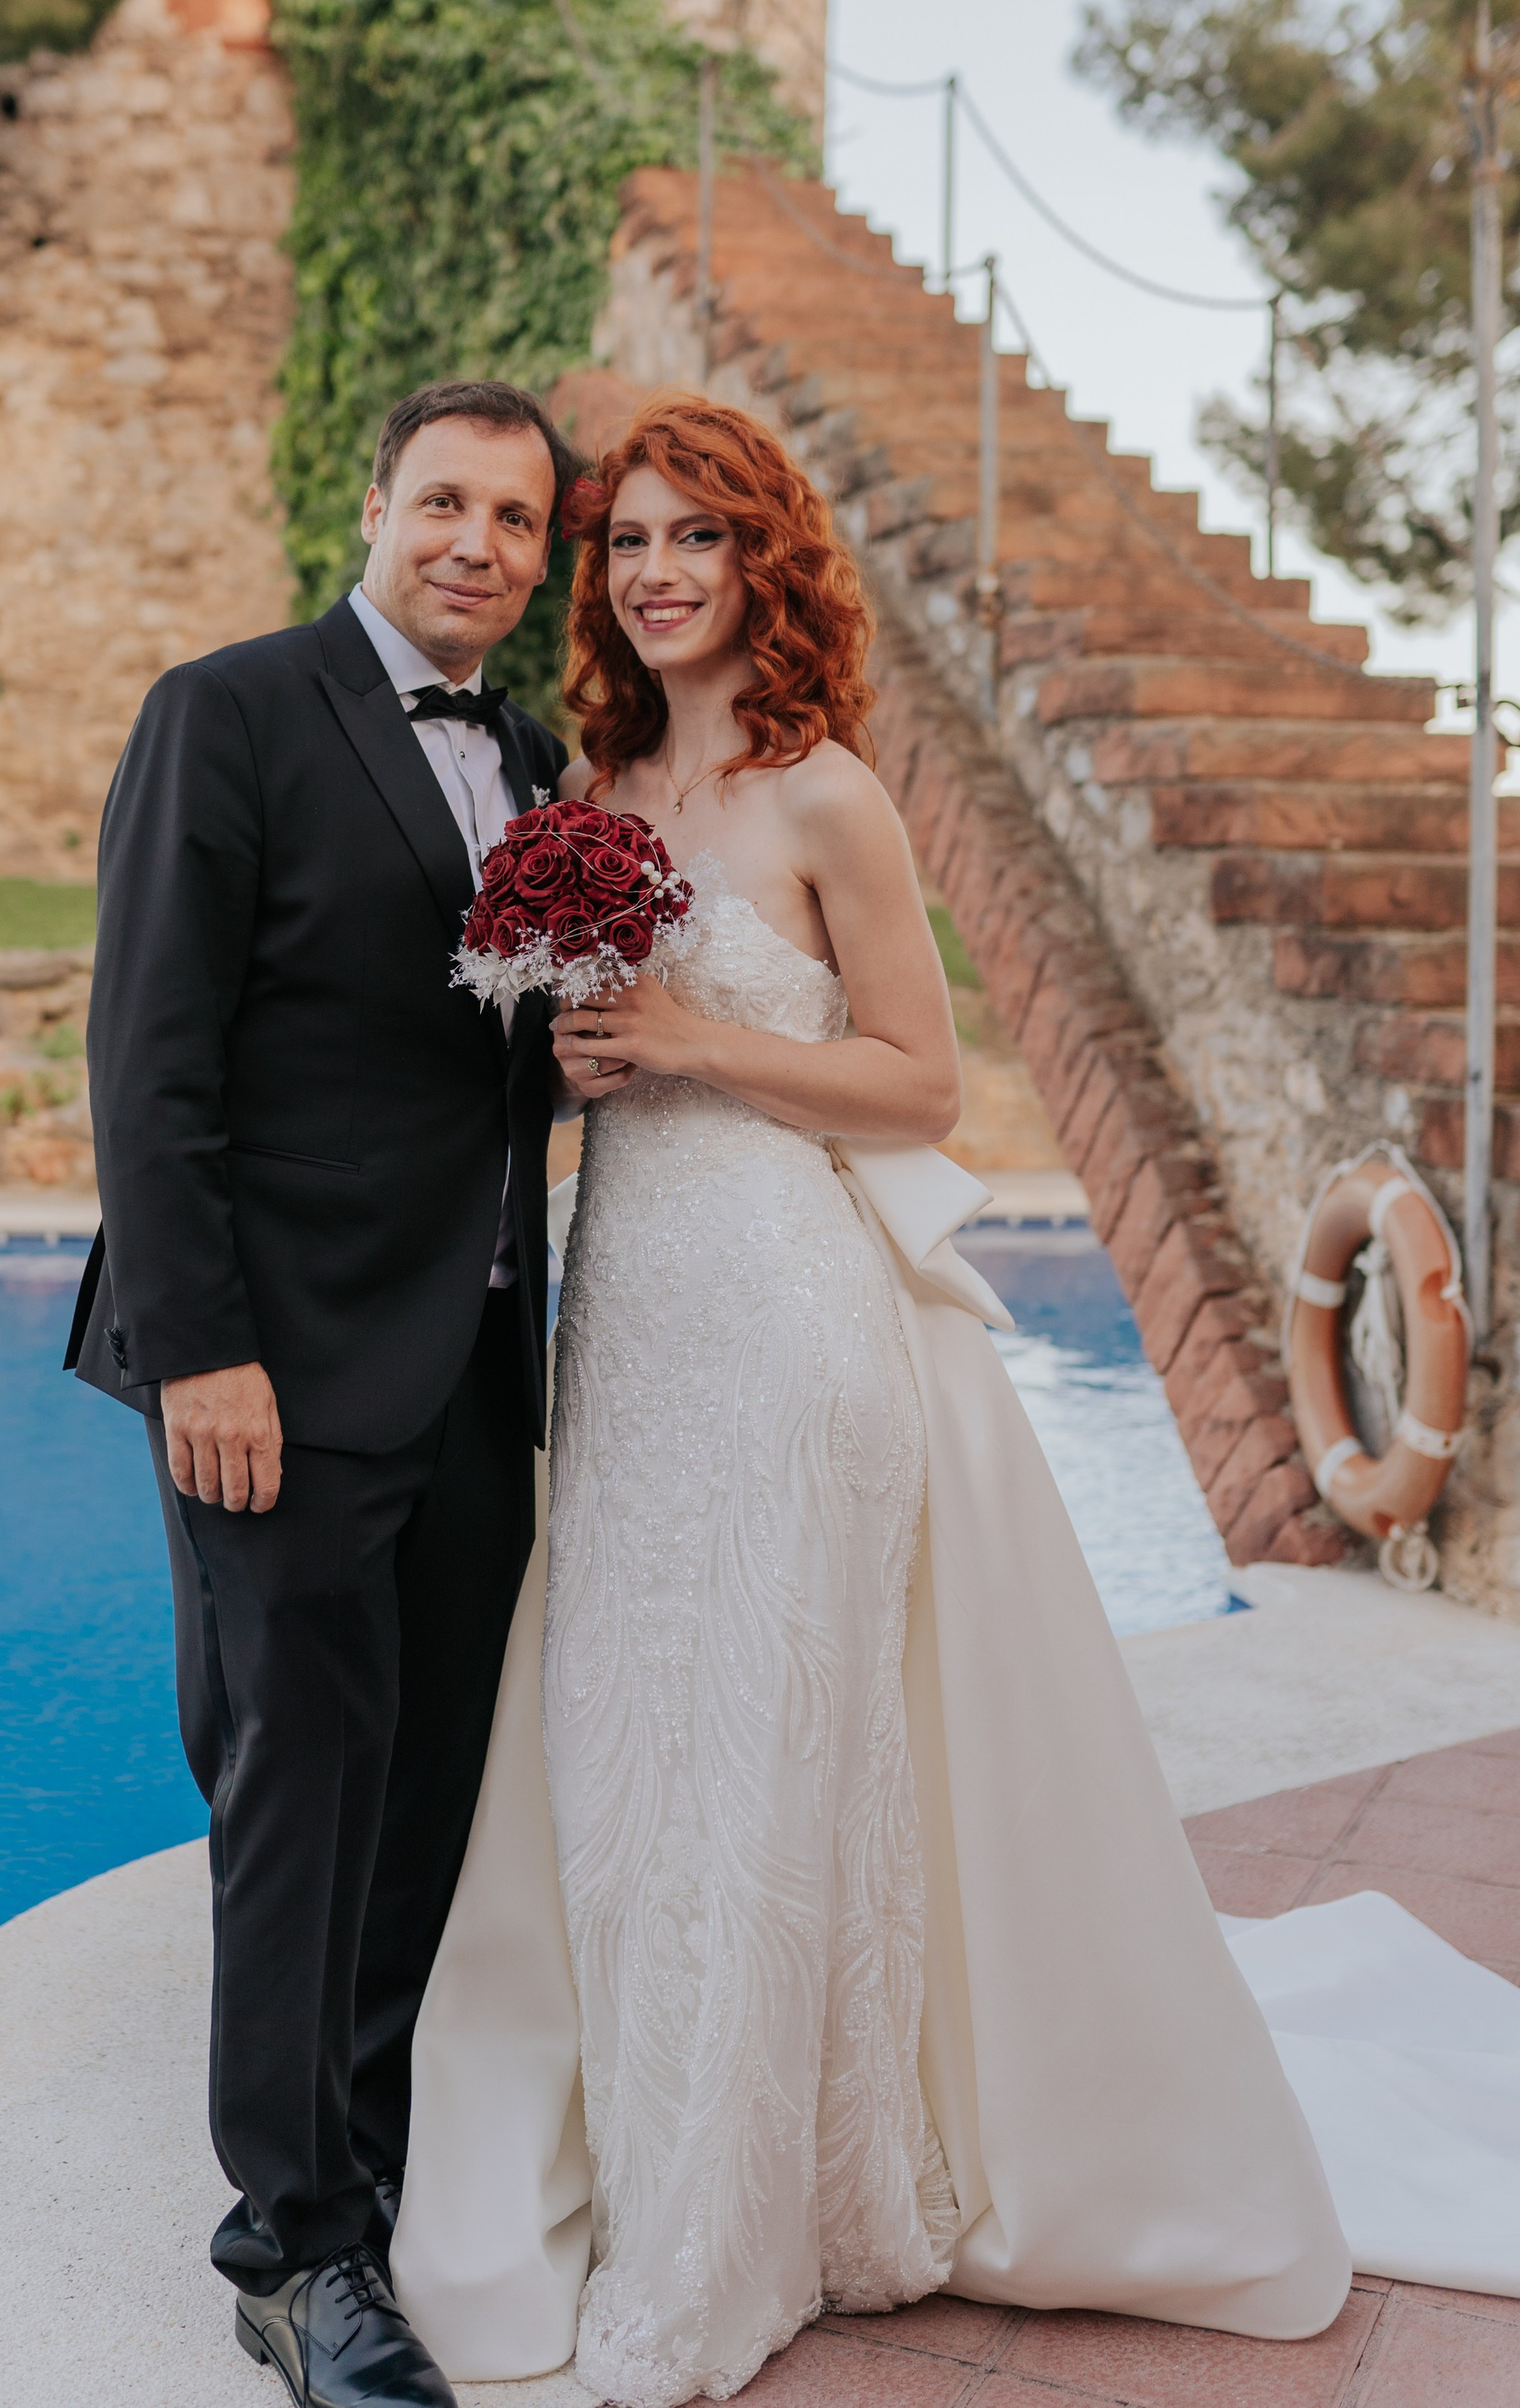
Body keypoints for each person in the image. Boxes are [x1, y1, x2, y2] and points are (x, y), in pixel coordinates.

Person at [382, 394, 1358, 2404]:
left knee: (758, 1767)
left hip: (791, 1325)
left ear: (765, 565)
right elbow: (612, 1059)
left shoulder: (829, 795)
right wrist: (589, 1071)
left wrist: (695, 1046)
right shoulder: (602, 781)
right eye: (625, 541)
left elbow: (926, 1090)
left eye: (692, 541)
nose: (650, 573)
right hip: (634, 1321)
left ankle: (743, 2242)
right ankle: (672, 2168)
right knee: (633, 1762)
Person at [65, 380, 576, 2408]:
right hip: (265, 1370)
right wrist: (205, 1348)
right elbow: (149, 1058)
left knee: (422, 1795)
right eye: (446, 501)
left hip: (469, 1368)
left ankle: (361, 2165)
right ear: (373, 506)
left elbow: (481, 1071)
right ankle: (290, 2252)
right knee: (295, 1795)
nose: (481, 543)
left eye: (520, 521)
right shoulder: (233, 709)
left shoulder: (529, 759)